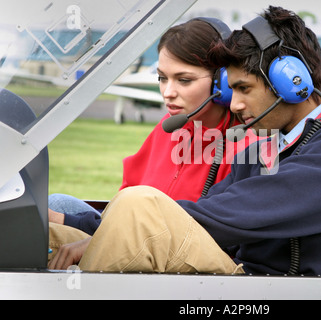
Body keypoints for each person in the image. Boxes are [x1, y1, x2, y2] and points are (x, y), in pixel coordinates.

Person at [48, 6, 321, 276]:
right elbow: (210, 207)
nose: (234, 105)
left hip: (278, 289)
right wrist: (77, 225)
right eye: (230, 90)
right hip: (239, 276)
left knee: (139, 204)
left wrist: (113, 226)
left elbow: (229, 214)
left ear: (292, 82)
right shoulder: (262, 146)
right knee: (50, 235)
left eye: (243, 88)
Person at [47, 17, 255, 236]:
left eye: (183, 80)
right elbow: (125, 202)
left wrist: (81, 228)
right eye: (162, 78)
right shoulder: (169, 128)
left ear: (222, 81)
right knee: (57, 203)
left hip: (179, 253)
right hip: (137, 235)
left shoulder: (249, 145)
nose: (167, 92)